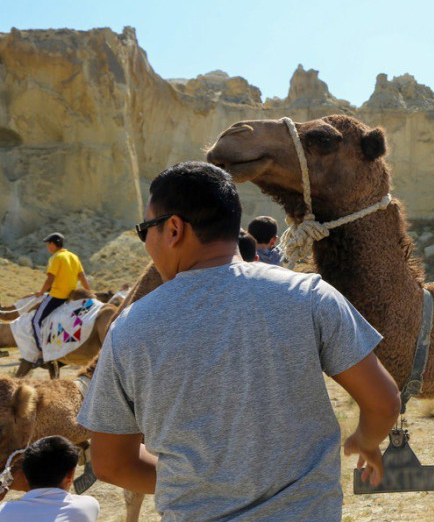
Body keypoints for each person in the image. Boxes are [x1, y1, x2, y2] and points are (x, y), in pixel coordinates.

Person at [77, 162, 400, 521]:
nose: (146, 243)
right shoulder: (308, 295)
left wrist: (193, 480)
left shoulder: (129, 329)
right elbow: (384, 402)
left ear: (172, 229)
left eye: (144, 231)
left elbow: (109, 463)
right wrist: (366, 441)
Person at [0, 436, 100, 522]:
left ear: (24, 475)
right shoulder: (88, 506)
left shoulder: (4, 512)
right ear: (70, 474)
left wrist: (6, 485)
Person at [32, 233, 90, 359]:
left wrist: (41, 292)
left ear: (53, 244)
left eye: (48, 244)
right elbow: (82, 276)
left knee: (36, 320)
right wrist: (89, 291)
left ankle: (41, 351)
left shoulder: (56, 257)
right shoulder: (74, 256)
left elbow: (50, 278)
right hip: (71, 297)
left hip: (57, 296)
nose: (47, 247)